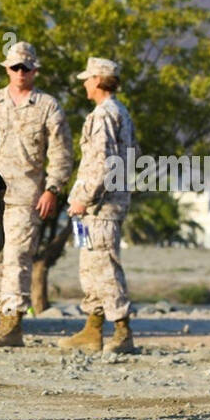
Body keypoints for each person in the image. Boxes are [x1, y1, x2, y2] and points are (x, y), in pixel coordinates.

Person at [0, 41, 73, 347]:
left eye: (26, 67)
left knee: (17, 258)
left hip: (27, 196)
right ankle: (3, 314)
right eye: (15, 67)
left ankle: (13, 322)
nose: (21, 72)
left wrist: (53, 188)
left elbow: (62, 153)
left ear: (35, 70)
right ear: (6, 69)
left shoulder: (48, 107)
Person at [59, 56, 137, 354]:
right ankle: (93, 329)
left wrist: (84, 197)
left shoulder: (104, 114)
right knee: (91, 266)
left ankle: (122, 331)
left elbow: (102, 162)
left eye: (88, 79)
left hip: (100, 206)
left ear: (98, 81)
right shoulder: (121, 112)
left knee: (104, 266)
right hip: (104, 204)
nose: (85, 84)